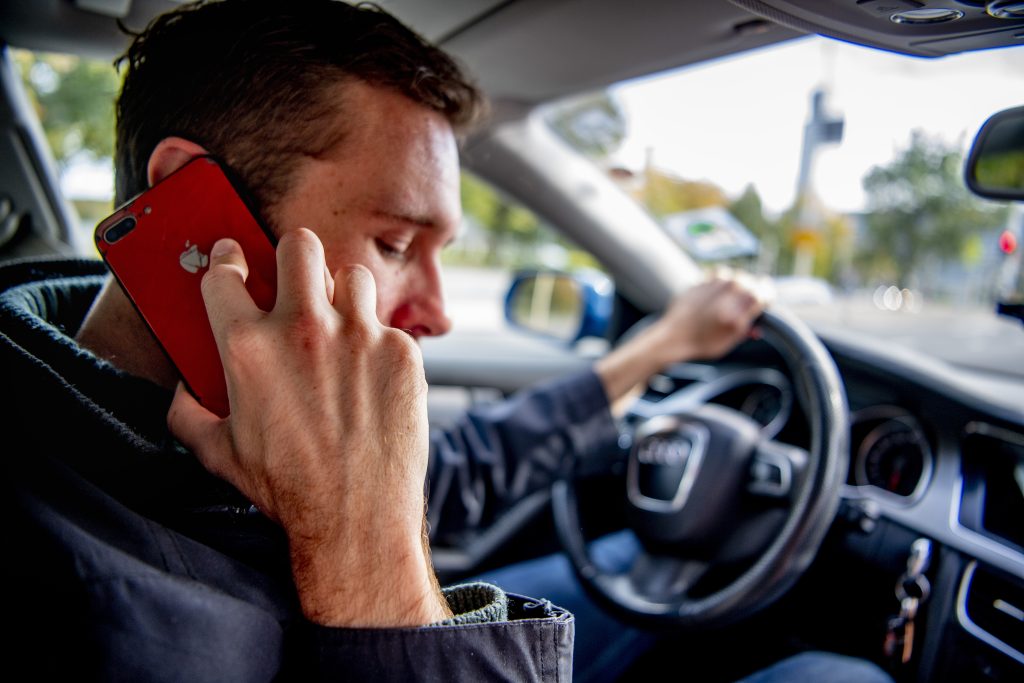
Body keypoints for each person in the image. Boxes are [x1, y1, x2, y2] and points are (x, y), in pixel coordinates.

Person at [0, 1, 893, 681]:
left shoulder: (190, 396)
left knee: (641, 560)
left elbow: (455, 465)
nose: (436, 311)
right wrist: (360, 547)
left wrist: (656, 350)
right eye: (395, 244)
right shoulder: (91, 602)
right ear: (195, 211)